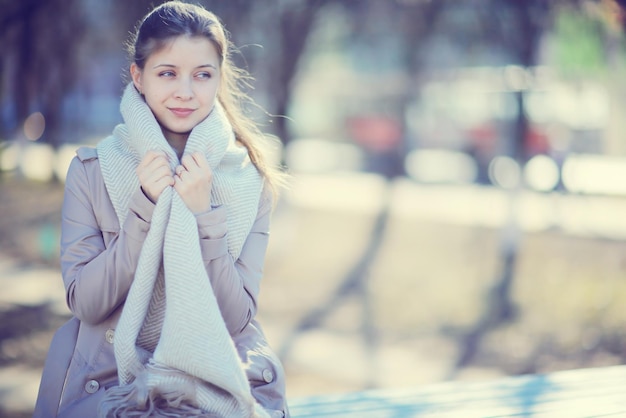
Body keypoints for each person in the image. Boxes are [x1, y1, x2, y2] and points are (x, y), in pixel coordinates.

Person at [33, 1, 289, 417]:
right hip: (110, 379)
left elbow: (237, 319)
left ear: (218, 79)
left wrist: (205, 216)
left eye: (202, 75)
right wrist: (144, 208)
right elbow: (86, 304)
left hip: (214, 377)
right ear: (139, 77)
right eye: (167, 73)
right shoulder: (93, 171)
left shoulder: (249, 180)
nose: (186, 92)